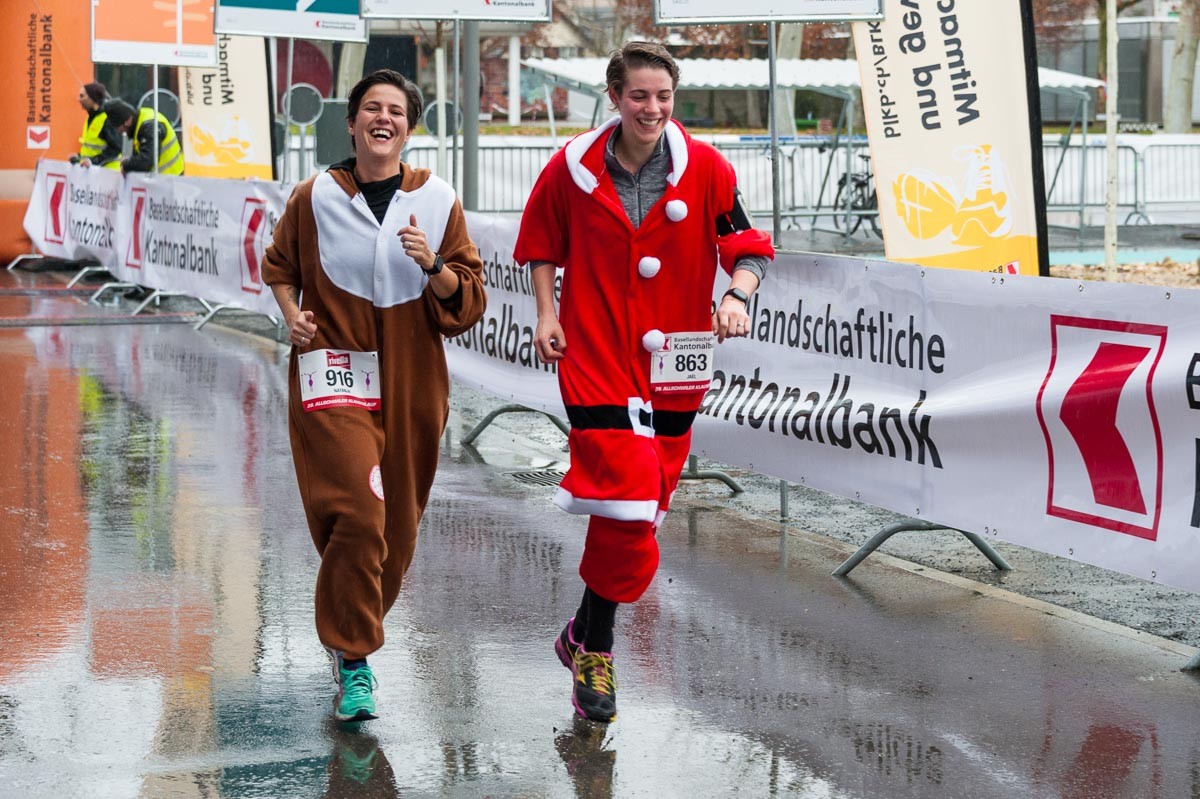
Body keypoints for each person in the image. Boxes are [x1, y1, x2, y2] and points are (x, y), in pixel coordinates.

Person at [513, 41, 774, 724]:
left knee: (642, 508)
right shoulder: (572, 167)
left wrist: (736, 295)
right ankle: (597, 652)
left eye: (663, 96)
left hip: (677, 363)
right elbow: (540, 243)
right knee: (626, 495)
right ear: (615, 97)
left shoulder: (706, 168)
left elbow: (747, 246)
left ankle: (580, 630)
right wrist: (546, 313)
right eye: (639, 96)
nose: (652, 109)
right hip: (596, 352)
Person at [263, 68, 486, 722]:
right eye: (371, 108)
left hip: (413, 381)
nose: (383, 118)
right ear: (352, 121)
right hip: (333, 370)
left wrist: (434, 266)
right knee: (359, 513)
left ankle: (348, 631)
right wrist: (291, 315)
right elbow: (279, 267)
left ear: (409, 129)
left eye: (395, 110)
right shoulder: (314, 196)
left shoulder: (437, 199)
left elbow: (469, 301)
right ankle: (355, 656)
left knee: (397, 527)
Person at [106, 100, 184, 176]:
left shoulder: (149, 127)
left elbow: (146, 162)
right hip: (163, 178)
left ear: (127, 121)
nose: (119, 132)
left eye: (118, 127)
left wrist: (126, 165)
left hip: (171, 178)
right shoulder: (140, 120)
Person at [70, 82, 123, 170]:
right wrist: (79, 158)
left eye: (82, 96)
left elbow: (115, 149)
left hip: (107, 172)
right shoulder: (90, 118)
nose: (79, 99)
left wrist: (93, 161)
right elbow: (91, 148)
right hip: (94, 172)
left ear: (92, 98)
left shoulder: (107, 118)